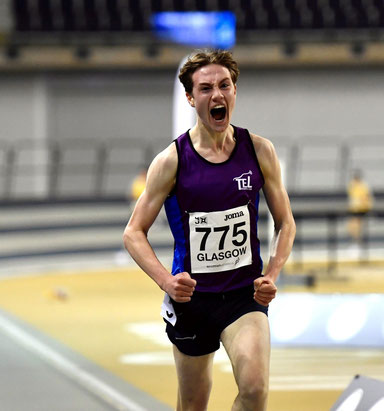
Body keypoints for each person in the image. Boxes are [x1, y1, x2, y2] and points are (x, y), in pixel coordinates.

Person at [123, 49, 296, 411]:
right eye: (205, 88)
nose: (217, 94)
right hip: (192, 300)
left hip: (243, 296)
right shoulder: (171, 161)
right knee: (193, 406)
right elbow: (133, 232)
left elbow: (286, 223)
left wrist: (272, 273)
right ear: (190, 97)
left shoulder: (260, 151)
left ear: (234, 92)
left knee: (254, 390)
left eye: (225, 85)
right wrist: (166, 282)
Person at [346, 169, 373, 248]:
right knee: (352, 226)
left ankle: (357, 242)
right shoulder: (352, 185)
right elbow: (351, 197)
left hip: (361, 208)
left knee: (357, 225)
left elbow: (366, 197)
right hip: (354, 208)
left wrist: (366, 206)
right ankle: (356, 241)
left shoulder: (363, 186)